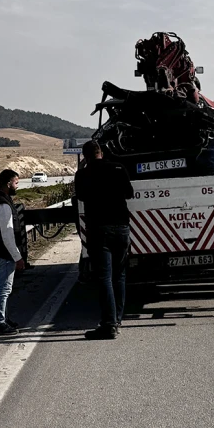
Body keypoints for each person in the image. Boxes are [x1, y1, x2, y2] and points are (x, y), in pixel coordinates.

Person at [74, 140, 134, 339]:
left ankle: (108, 324)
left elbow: (81, 197)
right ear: (102, 152)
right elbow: (129, 193)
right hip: (121, 228)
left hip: (99, 230)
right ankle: (116, 320)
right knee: (120, 276)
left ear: (85, 156)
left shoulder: (83, 174)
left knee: (104, 277)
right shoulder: (118, 167)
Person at [0, 169, 26, 335]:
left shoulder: (3, 200)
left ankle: (3, 317)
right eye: (16, 182)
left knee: (5, 289)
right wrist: (17, 257)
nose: (17, 186)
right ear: (9, 183)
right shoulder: (3, 204)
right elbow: (7, 234)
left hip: (2, 253)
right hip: (4, 254)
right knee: (3, 289)